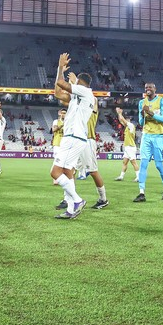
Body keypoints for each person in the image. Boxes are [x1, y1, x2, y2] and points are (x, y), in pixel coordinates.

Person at [50, 53, 94, 219]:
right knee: (68, 172)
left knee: (55, 172)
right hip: (77, 137)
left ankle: (77, 200)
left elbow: (61, 83)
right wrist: (59, 71)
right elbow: (57, 92)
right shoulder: (79, 97)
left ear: (80, 83)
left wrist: (61, 67)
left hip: (73, 137)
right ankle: (71, 209)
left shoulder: (84, 91)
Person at [134, 82, 163, 203]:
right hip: (146, 136)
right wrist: (141, 113)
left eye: (150, 87)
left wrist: (150, 113)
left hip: (159, 137)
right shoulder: (141, 102)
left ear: (155, 89)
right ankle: (141, 193)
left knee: (159, 165)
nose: (147, 89)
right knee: (143, 164)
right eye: (145, 88)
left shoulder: (162, 101)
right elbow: (141, 122)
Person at [114, 107, 139, 182]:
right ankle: (121, 176)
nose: (125, 121)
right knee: (125, 162)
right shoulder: (127, 127)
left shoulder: (131, 126)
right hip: (127, 147)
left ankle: (138, 177)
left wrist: (120, 113)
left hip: (130, 147)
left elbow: (123, 120)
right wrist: (119, 114)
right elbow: (121, 120)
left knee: (133, 162)